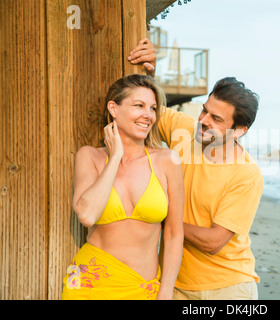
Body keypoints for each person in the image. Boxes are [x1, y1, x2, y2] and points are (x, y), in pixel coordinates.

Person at [128, 40, 264, 300]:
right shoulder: (184, 130)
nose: (203, 121)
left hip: (228, 288)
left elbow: (213, 241)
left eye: (216, 119)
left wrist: (158, 217)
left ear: (238, 131)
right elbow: (147, 105)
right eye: (205, 110)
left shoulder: (246, 175)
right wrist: (149, 71)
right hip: (173, 283)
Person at [61, 74, 184, 300]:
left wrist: (166, 290)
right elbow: (87, 215)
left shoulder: (168, 160)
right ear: (113, 108)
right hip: (89, 285)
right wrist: (115, 156)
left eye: (153, 108)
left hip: (143, 287)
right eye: (139, 105)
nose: (148, 115)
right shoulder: (89, 157)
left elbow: (175, 233)